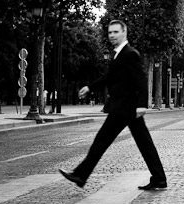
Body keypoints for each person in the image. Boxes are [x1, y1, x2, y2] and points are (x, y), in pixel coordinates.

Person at [59, 20, 167, 190]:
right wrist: (90, 87)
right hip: (125, 108)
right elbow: (109, 77)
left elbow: (141, 80)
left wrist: (142, 105)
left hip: (124, 108)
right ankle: (159, 178)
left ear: (124, 33)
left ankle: (81, 174)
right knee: (144, 144)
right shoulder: (119, 54)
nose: (112, 36)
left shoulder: (130, 54)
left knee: (101, 141)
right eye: (110, 33)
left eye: (115, 32)